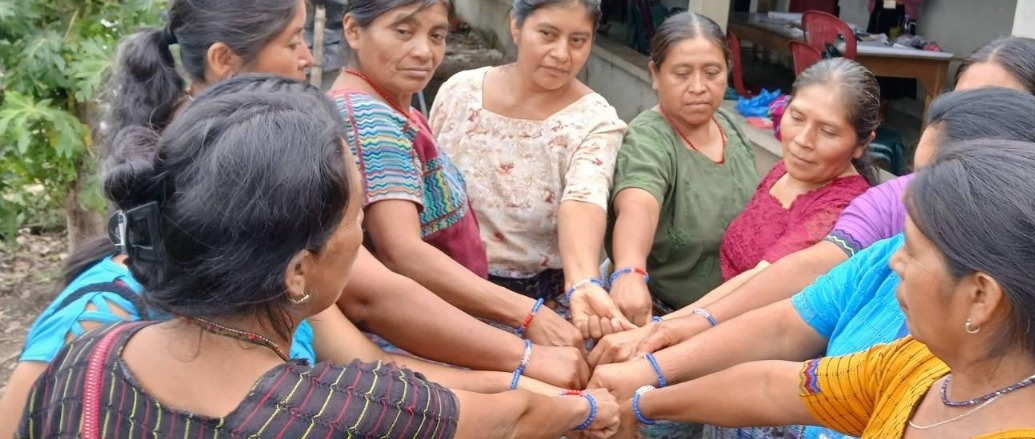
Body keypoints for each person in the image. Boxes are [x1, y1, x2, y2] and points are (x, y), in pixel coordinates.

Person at [0, 0, 587, 437]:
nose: (310, 59)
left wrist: (528, 377)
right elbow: (375, 302)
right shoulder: (106, 316)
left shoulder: (267, 300)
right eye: (292, 41)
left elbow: (373, 366)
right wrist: (531, 359)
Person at [18, 76, 619, 438]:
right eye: (357, 217)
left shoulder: (84, 361)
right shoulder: (340, 409)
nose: (363, 238)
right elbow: (512, 421)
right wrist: (590, 406)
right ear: (297, 269)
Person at [591, 89, 1035, 439]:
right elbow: (777, 386)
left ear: (980, 296)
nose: (890, 262)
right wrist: (637, 402)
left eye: (913, 252)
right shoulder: (923, 369)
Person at [599, 36, 1035, 357]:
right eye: (961, 105)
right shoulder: (893, 196)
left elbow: (796, 278)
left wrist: (672, 332)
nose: (803, 140)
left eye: (827, 130)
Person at [329, 0, 582, 348]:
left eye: (436, 35)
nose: (424, 51)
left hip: (441, 317)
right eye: (402, 31)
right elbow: (402, 252)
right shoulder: (369, 117)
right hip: (412, 336)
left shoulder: (394, 106)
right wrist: (525, 313)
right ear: (353, 30)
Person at [430, 0, 630, 340]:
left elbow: (584, 199)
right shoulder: (459, 92)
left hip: (543, 307)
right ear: (517, 26)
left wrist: (584, 281)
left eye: (578, 40)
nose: (561, 54)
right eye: (548, 34)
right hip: (447, 290)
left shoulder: (594, 121)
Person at [606, 12, 759, 324]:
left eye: (712, 72)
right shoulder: (649, 139)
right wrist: (630, 272)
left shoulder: (729, 126)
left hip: (730, 313)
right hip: (664, 315)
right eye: (682, 73)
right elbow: (639, 205)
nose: (699, 87)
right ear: (655, 73)